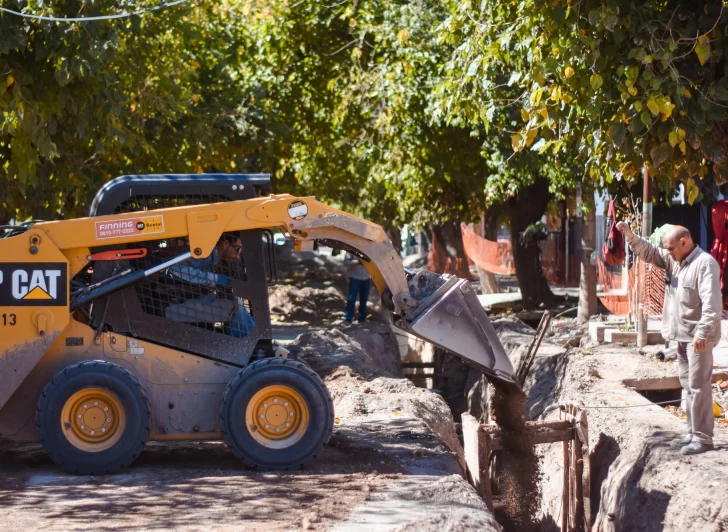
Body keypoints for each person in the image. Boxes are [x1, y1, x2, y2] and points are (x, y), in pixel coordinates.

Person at [617, 222, 721, 455]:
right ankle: (692, 433)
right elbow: (651, 252)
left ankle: (703, 439)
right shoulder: (674, 259)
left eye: (671, 248)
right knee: (687, 385)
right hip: (682, 336)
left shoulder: (704, 264)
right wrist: (630, 236)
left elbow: (712, 304)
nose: (668, 252)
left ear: (684, 242)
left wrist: (703, 331)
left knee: (699, 386)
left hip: (699, 337)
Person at [166, 235, 255, 338]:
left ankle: (248, 337)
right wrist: (214, 279)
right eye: (237, 249)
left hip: (191, 295)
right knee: (234, 303)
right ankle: (245, 340)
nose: (238, 256)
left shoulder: (214, 258)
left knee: (234, 301)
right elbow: (175, 269)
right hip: (181, 297)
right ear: (225, 244)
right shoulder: (205, 253)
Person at [344, 252, 371, 324]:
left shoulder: (370, 250)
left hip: (366, 278)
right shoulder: (351, 250)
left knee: (364, 299)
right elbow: (346, 262)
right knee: (352, 299)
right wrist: (358, 261)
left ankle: (362, 318)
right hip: (355, 278)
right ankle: (348, 318)